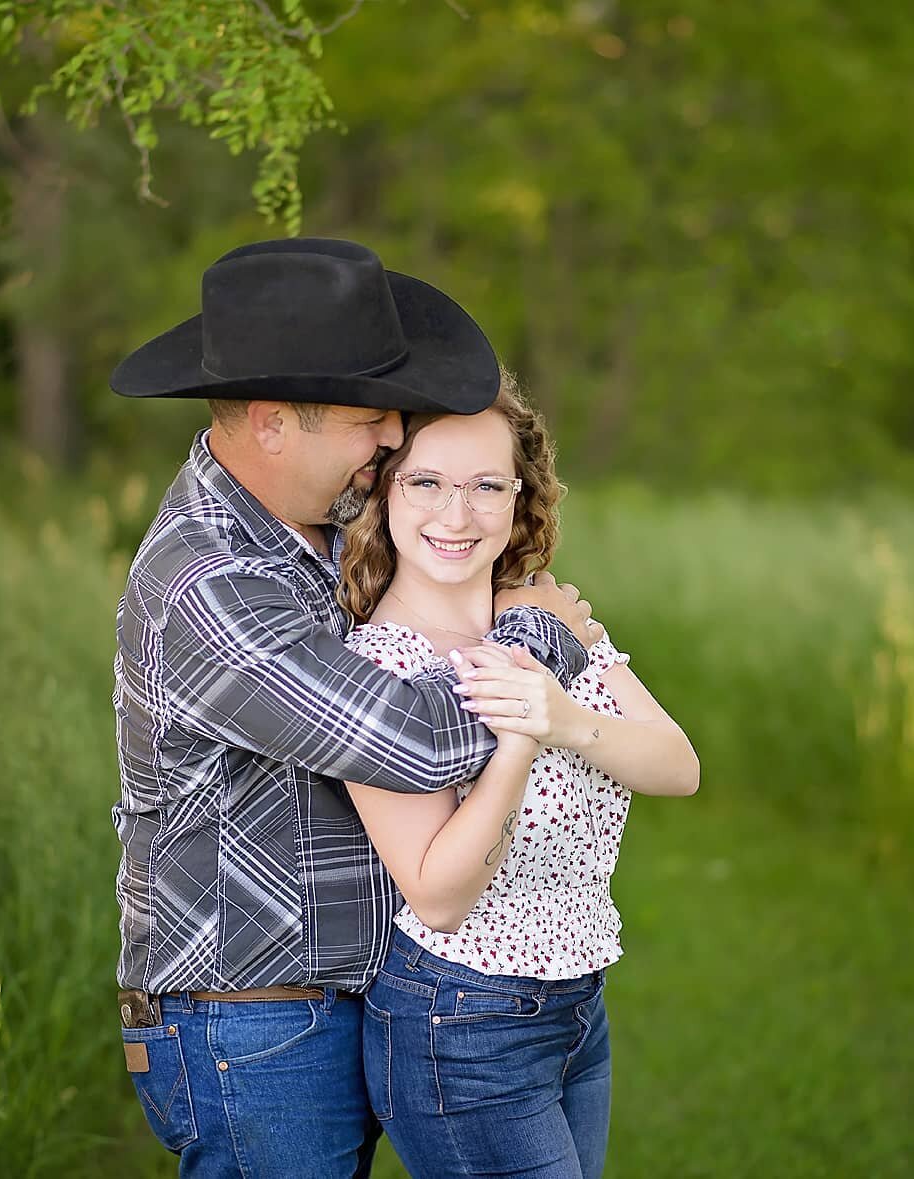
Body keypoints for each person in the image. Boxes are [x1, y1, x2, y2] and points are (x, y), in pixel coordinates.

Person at [108, 237, 601, 1178]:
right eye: (371, 420)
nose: (391, 440)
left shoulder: (326, 527)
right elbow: (414, 743)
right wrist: (539, 640)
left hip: (353, 995)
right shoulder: (210, 583)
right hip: (249, 1018)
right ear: (271, 422)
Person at [339, 374, 700, 1179]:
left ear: (519, 497)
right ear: (383, 491)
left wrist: (562, 713)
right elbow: (437, 893)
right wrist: (519, 741)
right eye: (426, 483)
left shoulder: (541, 617)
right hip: (461, 1022)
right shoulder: (378, 670)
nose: (455, 515)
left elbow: (677, 765)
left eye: (485, 486)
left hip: (577, 1006)